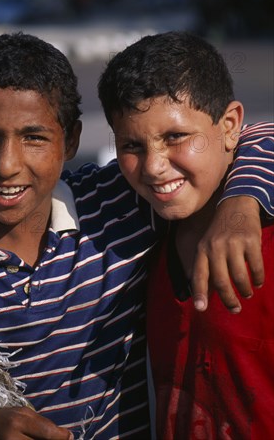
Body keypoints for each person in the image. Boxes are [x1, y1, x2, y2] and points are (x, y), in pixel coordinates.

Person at [0, 32, 272, 440]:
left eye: (34, 137)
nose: (7, 165)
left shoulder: (118, 208)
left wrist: (241, 202)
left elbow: (253, 136)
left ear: (72, 140)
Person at [97, 30, 274, 439]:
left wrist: (242, 202)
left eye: (175, 137)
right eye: (132, 145)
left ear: (230, 126)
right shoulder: (140, 235)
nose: (154, 167)